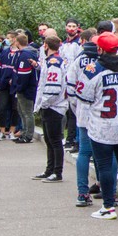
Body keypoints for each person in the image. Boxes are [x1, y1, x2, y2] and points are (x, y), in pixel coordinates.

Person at [76, 31, 118, 220]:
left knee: (104, 166)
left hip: (102, 126)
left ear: (99, 49)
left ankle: (108, 206)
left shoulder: (93, 69)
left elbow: (84, 96)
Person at [68, 28, 107, 206]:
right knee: (107, 154)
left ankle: (82, 193)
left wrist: (77, 108)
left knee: (84, 152)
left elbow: (71, 88)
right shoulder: (108, 61)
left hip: (83, 111)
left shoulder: (79, 61)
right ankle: (110, 192)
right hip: (104, 113)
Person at [32, 35, 68, 182]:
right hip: (49, 105)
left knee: (55, 140)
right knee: (48, 139)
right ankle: (49, 169)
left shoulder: (54, 63)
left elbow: (53, 87)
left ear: (46, 46)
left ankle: (57, 172)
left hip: (54, 106)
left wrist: (44, 103)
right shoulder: (49, 61)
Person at [10, 33, 38, 144]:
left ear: (17, 42)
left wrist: (19, 87)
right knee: (22, 112)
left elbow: (24, 74)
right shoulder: (22, 54)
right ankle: (24, 132)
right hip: (22, 87)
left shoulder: (25, 55)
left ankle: (28, 135)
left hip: (26, 89)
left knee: (27, 112)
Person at [60, 18, 82, 148]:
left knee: (74, 112)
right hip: (65, 79)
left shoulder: (78, 44)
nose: (71, 28)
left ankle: (73, 138)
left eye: (74, 26)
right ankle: (69, 137)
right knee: (68, 111)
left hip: (75, 80)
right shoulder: (63, 44)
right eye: (69, 26)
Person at [0, 31, 20, 140]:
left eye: (9, 38)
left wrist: (14, 80)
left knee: (15, 108)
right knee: (2, 107)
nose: (7, 40)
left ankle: (12, 131)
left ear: (14, 39)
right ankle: (3, 131)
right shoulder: (4, 53)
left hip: (15, 86)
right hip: (3, 84)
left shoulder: (20, 53)